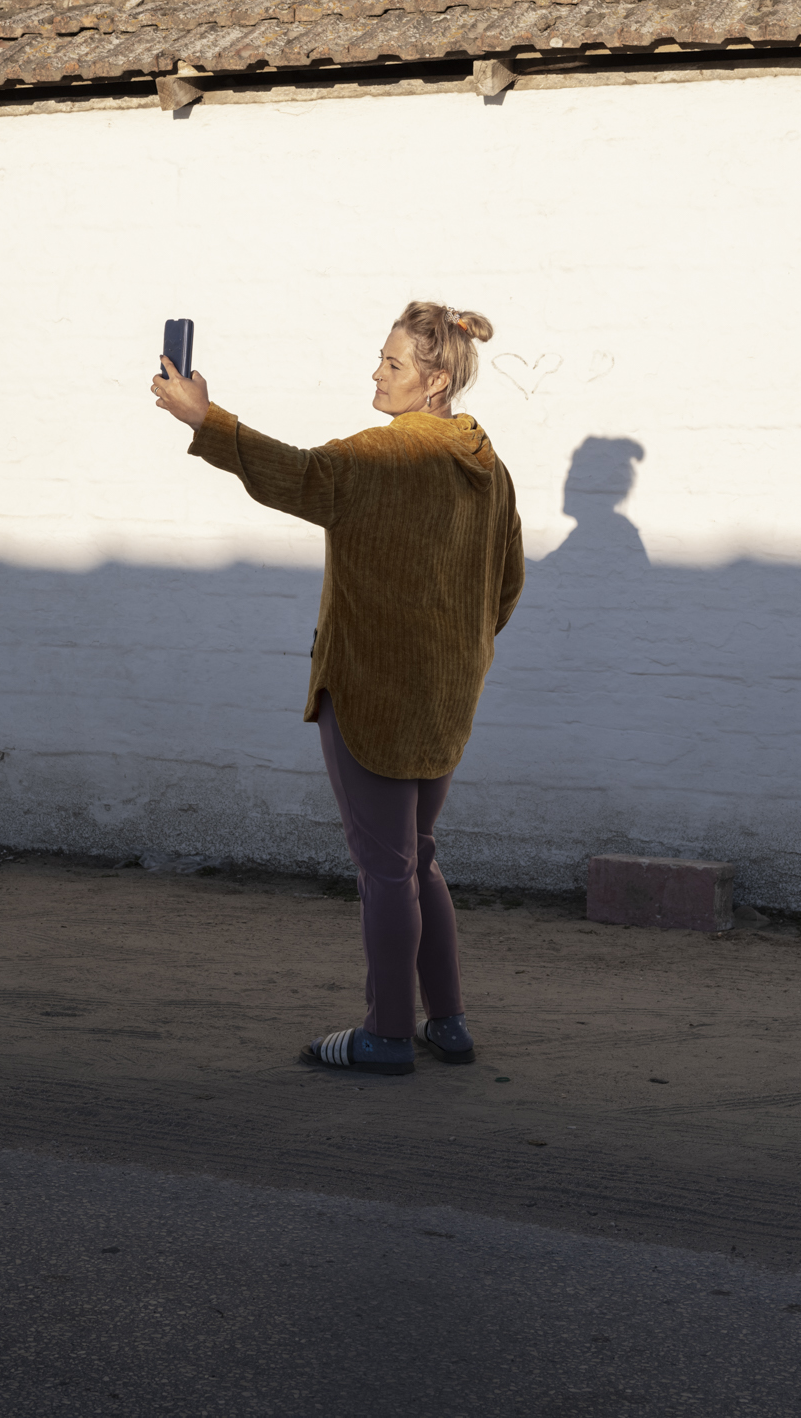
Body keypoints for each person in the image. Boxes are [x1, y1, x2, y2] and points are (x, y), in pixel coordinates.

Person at [150, 302, 524, 1075]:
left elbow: (295, 475)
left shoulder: (381, 457)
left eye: (393, 363)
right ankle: (448, 1025)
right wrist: (458, 654)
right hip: (446, 700)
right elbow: (507, 584)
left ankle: (388, 1035)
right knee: (418, 859)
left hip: (371, 693)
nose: (376, 373)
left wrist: (203, 418)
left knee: (387, 869)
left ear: (435, 381)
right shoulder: (490, 467)